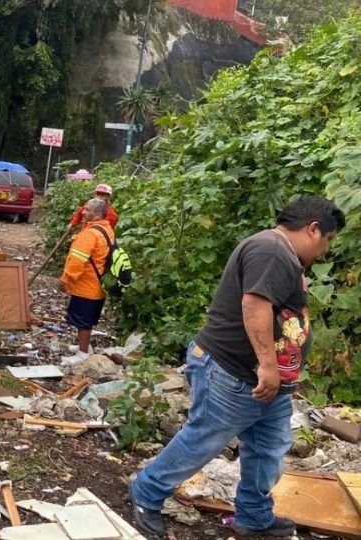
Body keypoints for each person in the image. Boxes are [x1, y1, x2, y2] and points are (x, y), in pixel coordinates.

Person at [130, 196, 344, 538]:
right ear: (313, 229)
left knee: (268, 447)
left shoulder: (280, 252)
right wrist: (268, 366)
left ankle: (254, 515)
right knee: (205, 438)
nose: (325, 251)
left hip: (262, 381)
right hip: (233, 371)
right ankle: (147, 491)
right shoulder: (272, 250)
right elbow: (255, 306)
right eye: (328, 241)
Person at [60, 198, 114, 358]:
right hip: (98, 285)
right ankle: (84, 347)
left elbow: (77, 261)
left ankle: (82, 354)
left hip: (87, 286)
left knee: (83, 321)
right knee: (87, 320)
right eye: (84, 209)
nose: (83, 212)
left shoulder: (90, 234)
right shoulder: (107, 230)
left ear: (97, 215)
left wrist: (65, 279)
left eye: (87, 210)